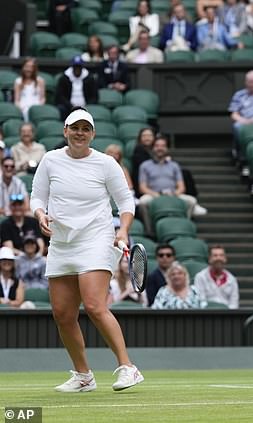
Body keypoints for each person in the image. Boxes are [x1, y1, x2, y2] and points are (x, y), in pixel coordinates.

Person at [30, 108, 143, 392]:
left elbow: (126, 203)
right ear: (65, 131)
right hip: (61, 242)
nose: (79, 133)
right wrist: (41, 215)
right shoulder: (50, 160)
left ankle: (128, 367)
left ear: (92, 134)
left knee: (94, 305)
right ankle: (84, 376)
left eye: (85, 128)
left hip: (96, 238)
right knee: (62, 314)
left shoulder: (106, 164)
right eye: (74, 128)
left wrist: (123, 230)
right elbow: (38, 196)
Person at [137, 136, 203, 230]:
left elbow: (181, 187)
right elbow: (142, 187)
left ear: (166, 148)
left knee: (191, 201)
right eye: (157, 146)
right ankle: (149, 230)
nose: (160, 148)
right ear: (153, 148)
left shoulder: (174, 166)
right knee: (142, 202)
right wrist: (155, 194)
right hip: (153, 195)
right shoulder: (145, 165)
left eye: (163, 146)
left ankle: (185, 227)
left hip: (172, 194)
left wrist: (175, 194)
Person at [193, 245, 240, 309]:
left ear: (225, 259)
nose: (218, 258)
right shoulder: (200, 277)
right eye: (215, 255)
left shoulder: (232, 280)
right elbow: (201, 301)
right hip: (206, 315)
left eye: (221, 255)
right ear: (209, 259)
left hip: (226, 316)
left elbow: (234, 304)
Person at [13, 57, 46, 122]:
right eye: (27, 66)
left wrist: (39, 108)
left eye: (31, 67)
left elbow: (42, 98)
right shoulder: (18, 81)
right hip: (23, 109)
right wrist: (20, 109)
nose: (29, 69)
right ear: (23, 67)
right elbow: (16, 100)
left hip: (37, 108)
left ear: (34, 69)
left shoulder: (40, 81)